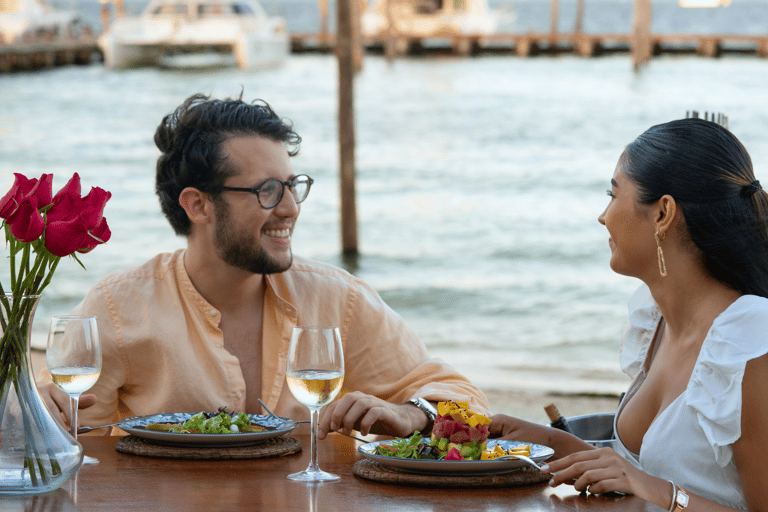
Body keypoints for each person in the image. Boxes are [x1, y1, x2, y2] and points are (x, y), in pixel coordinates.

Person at [37, 92, 489, 439]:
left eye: (293, 186)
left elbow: (464, 397)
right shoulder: (119, 310)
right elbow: (74, 442)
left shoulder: (337, 300)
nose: (291, 208)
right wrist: (40, 411)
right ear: (197, 205)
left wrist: (413, 413)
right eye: (268, 190)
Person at [489, 118, 768, 511]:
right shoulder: (655, 323)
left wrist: (664, 495)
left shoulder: (750, 338)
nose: (602, 216)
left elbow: (658, 485)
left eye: (612, 193)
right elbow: (644, 470)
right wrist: (548, 442)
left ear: (663, 213)